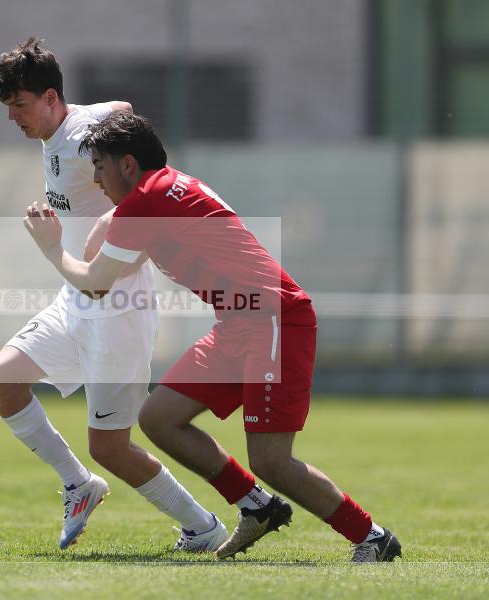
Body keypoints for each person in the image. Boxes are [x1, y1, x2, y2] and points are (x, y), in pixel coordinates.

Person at [23, 111, 403, 562]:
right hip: (238, 324)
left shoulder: (146, 201)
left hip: (274, 320)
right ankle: (256, 506)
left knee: (271, 459)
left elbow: (97, 283)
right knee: (159, 417)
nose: (96, 180)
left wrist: (52, 248)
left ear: (127, 165)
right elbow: (123, 261)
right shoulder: (163, 189)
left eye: (100, 167)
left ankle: (372, 537)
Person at [0, 38, 226, 551]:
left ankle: (204, 528)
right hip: (74, 298)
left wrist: (111, 226)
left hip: (117, 307)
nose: (12, 117)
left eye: (19, 105)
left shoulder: (80, 139)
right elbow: (122, 107)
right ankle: (78, 485)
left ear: (51, 97)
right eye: (8, 107)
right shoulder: (69, 126)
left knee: (111, 448)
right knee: (1, 381)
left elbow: (146, 174)